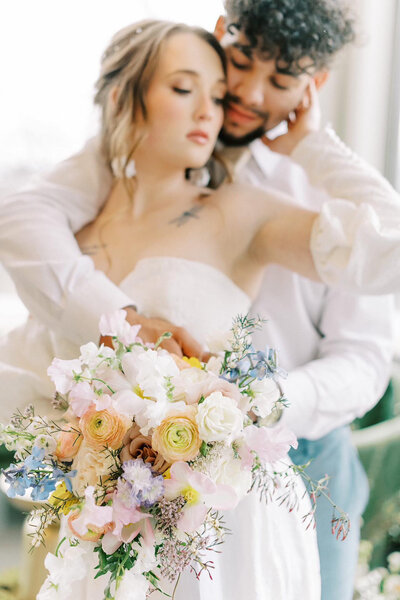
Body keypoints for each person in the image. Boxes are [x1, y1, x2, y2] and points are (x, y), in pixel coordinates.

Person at [0, 1, 396, 598]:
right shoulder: (94, 193)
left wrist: (254, 406)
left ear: (315, 85)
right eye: (235, 67)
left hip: (294, 448)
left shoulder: (282, 196)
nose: (243, 97)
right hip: (128, 489)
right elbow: (23, 224)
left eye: (282, 80)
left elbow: (374, 323)